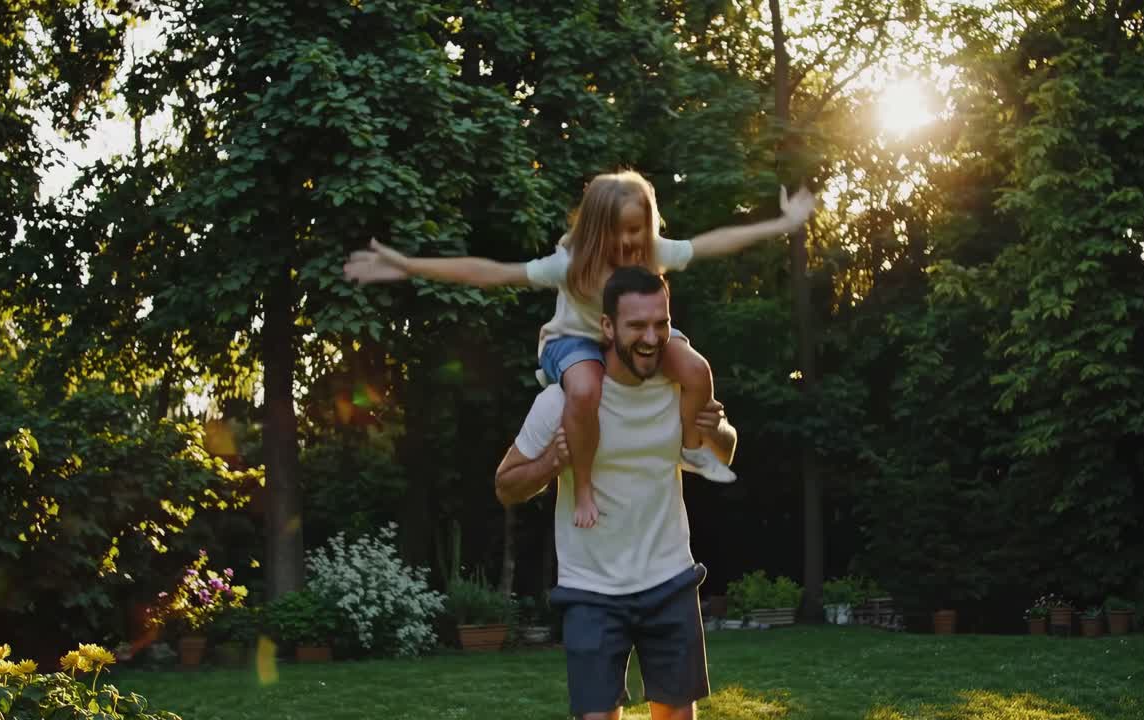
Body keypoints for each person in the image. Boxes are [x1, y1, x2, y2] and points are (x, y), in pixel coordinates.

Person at [344, 171, 812, 529]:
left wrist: (783, 223)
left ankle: (691, 448)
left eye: (638, 230)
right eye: (620, 232)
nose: (630, 242)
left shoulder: (652, 253)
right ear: (595, 230)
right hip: (572, 343)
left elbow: (715, 242)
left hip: (628, 339)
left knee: (695, 368)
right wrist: (408, 265)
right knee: (585, 390)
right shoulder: (569, 266)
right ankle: (583, 487)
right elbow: (490, 272)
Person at [494, 265, 737, 720]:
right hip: (591, 589)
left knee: (677, 715)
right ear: (607, 327)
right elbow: (505, 486)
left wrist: (717, 431)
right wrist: (550, 463)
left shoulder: (678, 390)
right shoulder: (561, 403)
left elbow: (722, 451)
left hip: (668, 578)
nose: (651, 337)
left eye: (661, 324)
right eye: (637, 326)